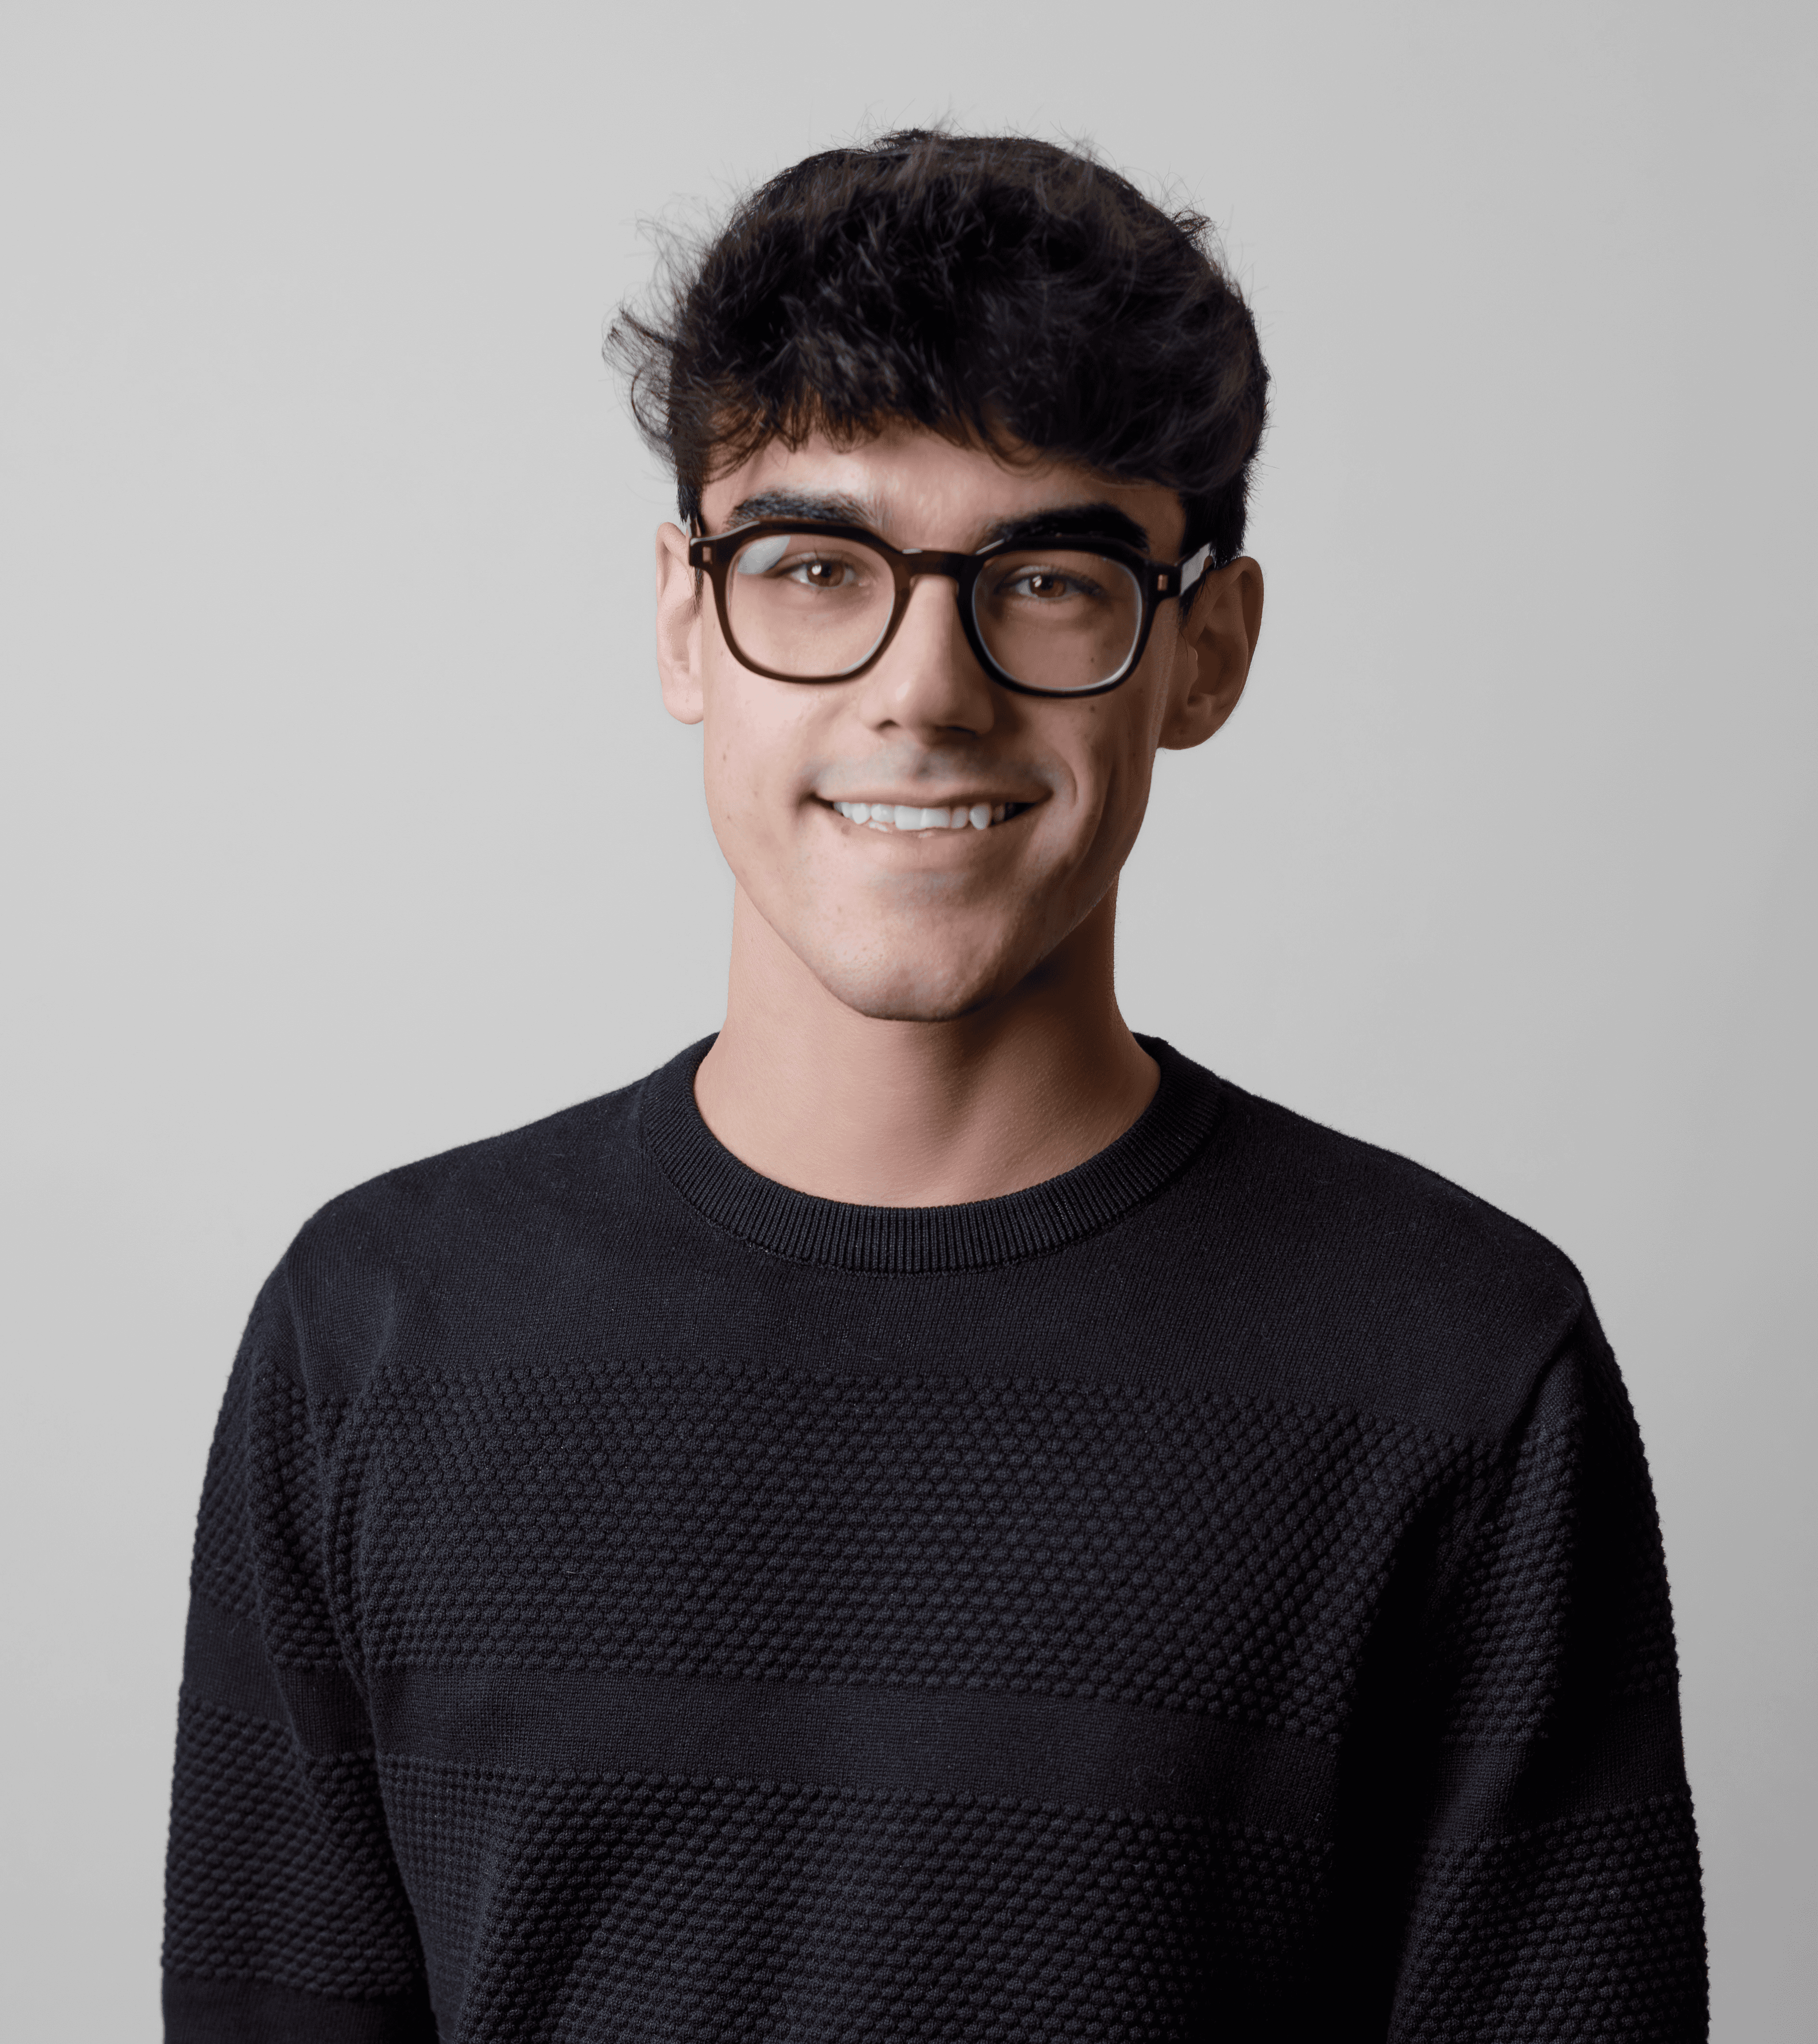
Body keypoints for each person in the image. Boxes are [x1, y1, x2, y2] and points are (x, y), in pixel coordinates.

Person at [162, 130, 1707, 2042]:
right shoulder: (380, 1334)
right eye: (817, 567)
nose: (926, 689)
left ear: (1202, 649)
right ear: (682, 619)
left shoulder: (1461, 1369)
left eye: (1047, 578)